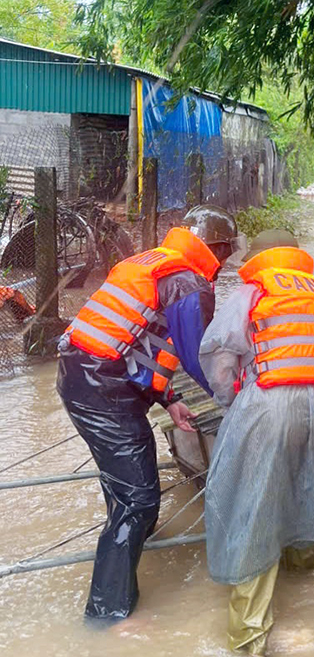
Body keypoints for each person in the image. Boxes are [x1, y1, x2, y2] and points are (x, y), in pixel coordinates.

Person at [56, 205, 239, 622]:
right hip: (103, 388)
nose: (226, 263)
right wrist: (235, 397)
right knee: (138, 499)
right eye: (227, 254)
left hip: (83, 375)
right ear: (218, 248)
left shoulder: (153, 263)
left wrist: (169, 398)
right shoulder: (188, 281)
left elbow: (141, 345)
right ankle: (107, 613)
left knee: (127, 483)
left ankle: (132, 540)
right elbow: (199, 355)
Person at [198, 230, 314, 657]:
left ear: (261, 258)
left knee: (254, 506)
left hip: (273, 403)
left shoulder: (253, 291)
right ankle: (303, 567)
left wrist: (233, 404)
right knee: (305, 481)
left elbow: (220, 356)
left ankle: (248, 640)